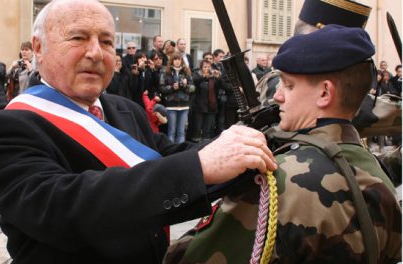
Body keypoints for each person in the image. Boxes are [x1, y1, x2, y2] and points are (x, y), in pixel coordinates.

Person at [0, 0, 277, 263]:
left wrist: (250, 143)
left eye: (106, 41)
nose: (96, 53)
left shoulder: (122, 108)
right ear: (38, 47)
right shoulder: (7, 128)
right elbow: (66, 208)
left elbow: (174, 156)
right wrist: (200, 166)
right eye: (78, 37)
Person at [165, 24, 401, 264]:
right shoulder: (376, 173)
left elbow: (185, 257)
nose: (277, 96)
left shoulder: (277, 181)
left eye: (288, 85)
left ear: (324, 94)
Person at [159, 52, 195, 143]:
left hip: (184, 105)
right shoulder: (165, 72)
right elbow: (162, 88)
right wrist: (172, 87)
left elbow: (193, 88)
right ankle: (171, 152)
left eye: (179, 59)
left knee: (181, 132)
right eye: (175, 59)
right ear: (171, 61)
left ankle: (180, 152)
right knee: (171, 131)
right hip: (171, 105)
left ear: (181, 61)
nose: (177, 61)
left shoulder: (187, 71)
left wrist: (185, 86)